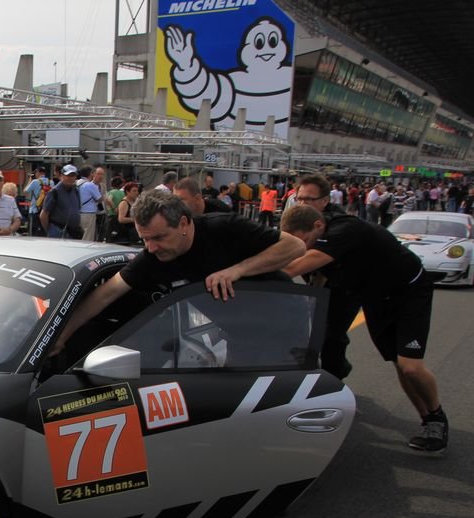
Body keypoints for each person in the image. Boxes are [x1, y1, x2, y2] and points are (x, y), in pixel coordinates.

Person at [281, 203, 448, 453]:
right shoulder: (315, 234)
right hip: (375, 299)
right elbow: (317, 283)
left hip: (409, 293)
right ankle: (428, 420)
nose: (302, 247)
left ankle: (437, 417)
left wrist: (242, 275)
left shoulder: (347, 229)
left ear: (317, 226)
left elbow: (294, 267)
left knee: (411, 366)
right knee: (397, 361)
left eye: (304, 241)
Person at [54, 189, 305, 353]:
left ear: (183, 224)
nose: (151, 247)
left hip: (285, 323)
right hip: (239, 336)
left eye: (159, 237)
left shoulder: (225, 228)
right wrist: (62, 336)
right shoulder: (152, 257)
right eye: (144, 239)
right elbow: (105, 294)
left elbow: (295, 246)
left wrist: (237, 270)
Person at [288, 174, 360, 380]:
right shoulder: (297, 219)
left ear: (325, 201)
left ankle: (334, 378)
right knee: (312, 333)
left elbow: (309, 259)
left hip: (345, 289)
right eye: (299, 198)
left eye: (308, 199)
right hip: (317, 286)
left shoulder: (338, 225)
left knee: (331, 336)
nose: (302, 203)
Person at [39, 164, 80, 238]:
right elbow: (43, 215)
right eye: (68, 175)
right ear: (62, 176)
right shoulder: (54, 192)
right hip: (57, 231)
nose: (71, 178)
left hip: (72, 232)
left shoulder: (75, 191)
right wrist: (49, 230)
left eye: (73, 176)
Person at [77, 166, 103, 241]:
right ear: (91, 174)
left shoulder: (77, 183)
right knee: (88, 236)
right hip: (89, 214)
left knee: (80, 236)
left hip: (78, 212)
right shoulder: (90, 185)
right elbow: (99, 199)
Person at [24, 167, 51, 234]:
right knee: (44, 232)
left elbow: (25, 191)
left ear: (38, 172)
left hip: (34, 209)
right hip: (46, 210)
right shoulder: (51, 182)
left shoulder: (35, 182)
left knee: (33, 232)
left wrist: (30, 180)